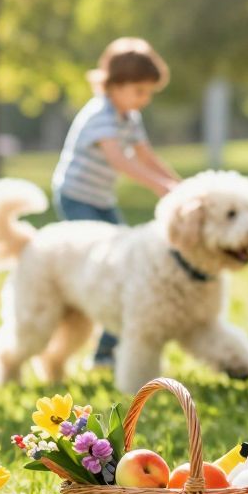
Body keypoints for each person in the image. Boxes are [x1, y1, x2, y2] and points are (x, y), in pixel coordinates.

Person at [51, 38, 180, 366]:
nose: (144, 99)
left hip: (101, 198)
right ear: (115, 85)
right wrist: (159, 186)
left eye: (148, 92)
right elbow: (120, 161)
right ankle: (103, 349)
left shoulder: (129, 117)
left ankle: (106, 350)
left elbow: (145, 155)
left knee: (126, 265)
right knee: (110, 266)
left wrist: (178, 184)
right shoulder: (100, 115)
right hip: (77, 196)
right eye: (139, 91)